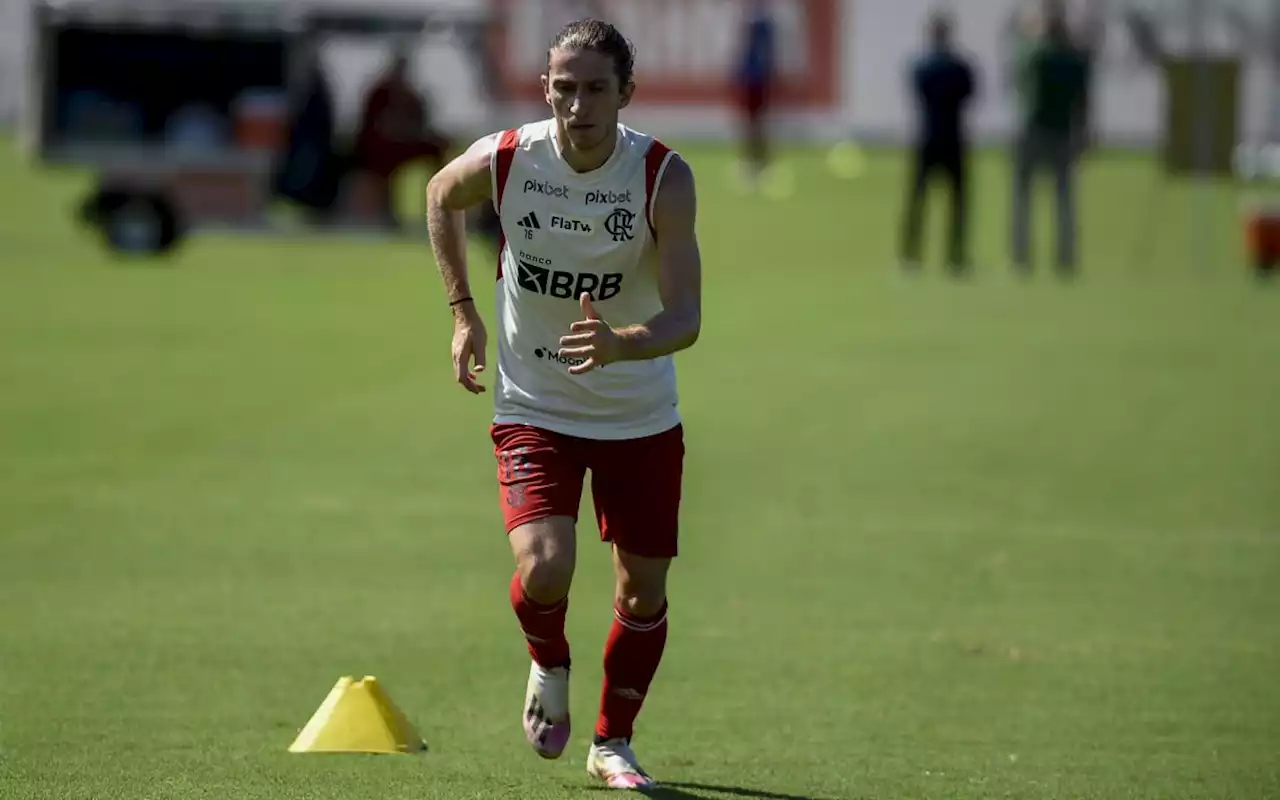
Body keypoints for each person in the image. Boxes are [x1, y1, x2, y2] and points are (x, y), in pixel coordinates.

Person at [424, 18, 702, 791]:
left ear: (626, 94)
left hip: (637, 413)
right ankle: (548, 659)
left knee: (642, 591)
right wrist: (462, 311)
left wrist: (620, 343)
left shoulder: (661, 177)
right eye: (563, 88)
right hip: (534, 402)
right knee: (545, 567)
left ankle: (614, 741)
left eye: (594, 89)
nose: (577, 105)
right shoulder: (511, 158)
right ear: (545, 88)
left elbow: (687, 317)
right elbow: (440, 194)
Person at [1011, 0, 1091, 276]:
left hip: (1034, 129)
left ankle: (1021, 258)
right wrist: (1083, 134)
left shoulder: (1036, 54)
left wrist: (1029, 33)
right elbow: (1083, 101)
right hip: (1063, 130)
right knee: (1064, 199)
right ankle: (1065, 258)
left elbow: (1018, 76)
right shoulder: (1075, 58)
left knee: (1023, 197)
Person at [899, 9, 977, 274]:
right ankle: (955, 256)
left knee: (918, 199)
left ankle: (910, 255)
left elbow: (916, 94)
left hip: (928, 137)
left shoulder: (922, 66)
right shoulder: (961, 66)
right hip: (953, 137)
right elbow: (969, 95)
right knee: (957, 202)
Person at [734, 0, 777, 188]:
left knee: (756, 122)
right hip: (753, 78)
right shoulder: (758, 22)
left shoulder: (759, 23)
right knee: (753, 122)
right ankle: (755, 161)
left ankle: (758, 162)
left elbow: (762, 54)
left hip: (756, 79)